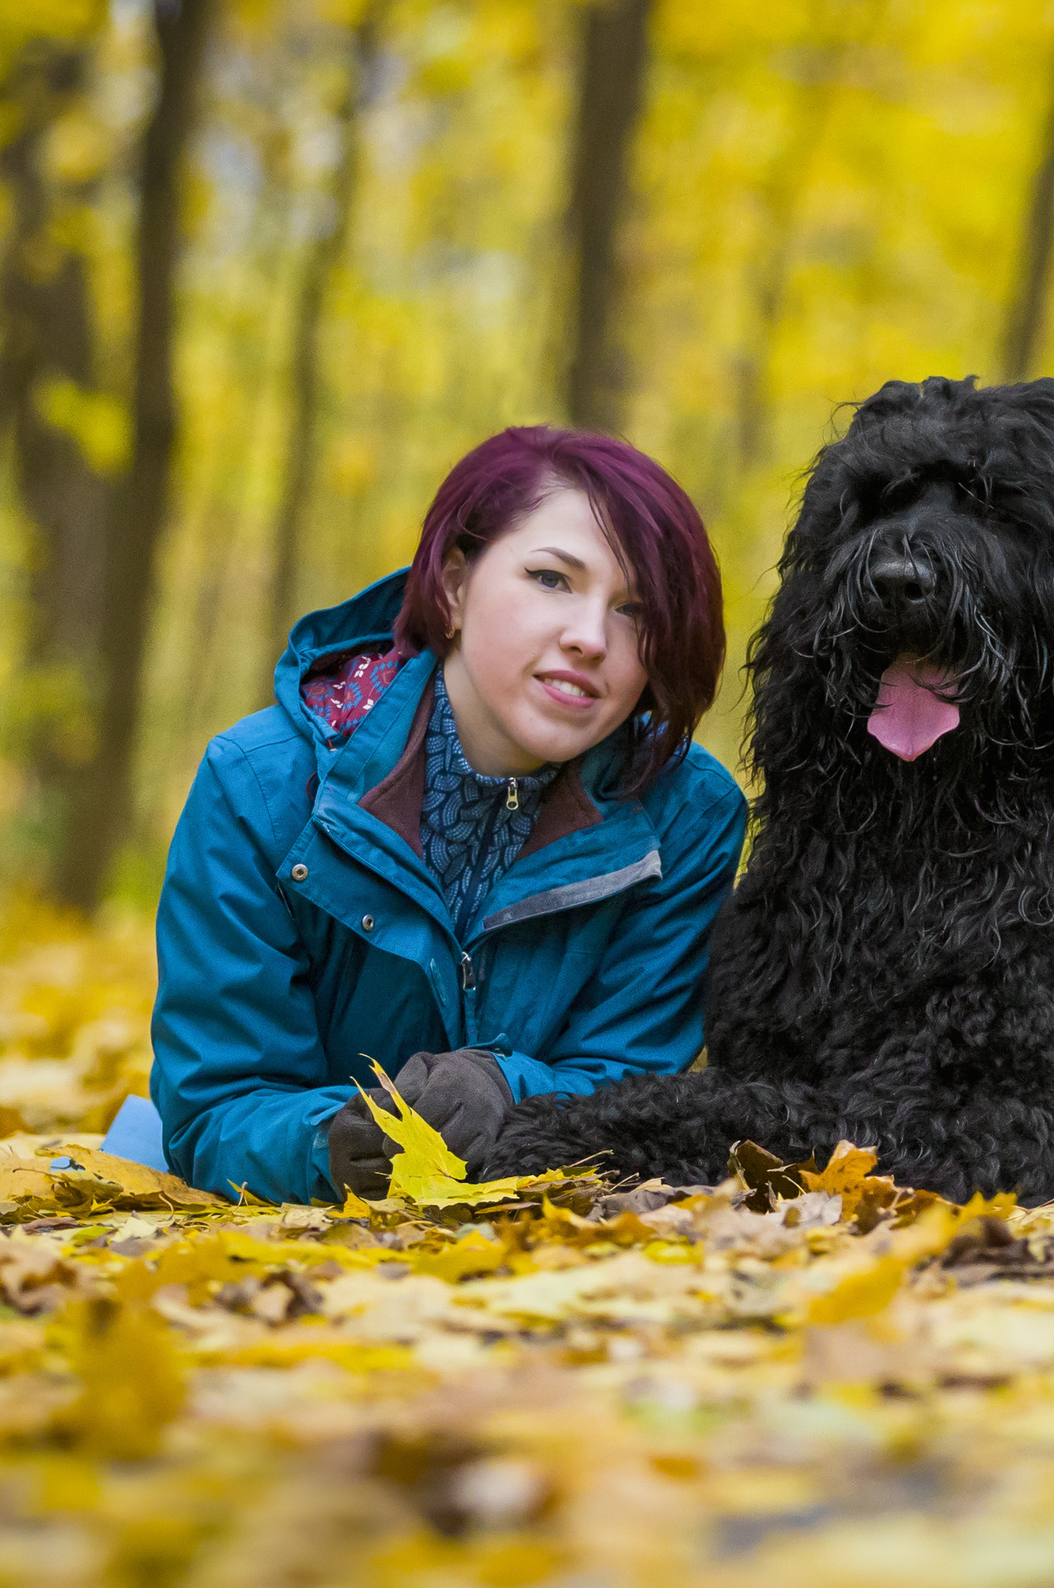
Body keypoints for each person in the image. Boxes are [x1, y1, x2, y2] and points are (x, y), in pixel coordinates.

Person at [140, 426, 746, 1204]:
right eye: (552, 579)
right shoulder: (257, 784)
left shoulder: (688, 819)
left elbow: (633, 1087)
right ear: (454, 586)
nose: (590, 638)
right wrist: (330, 1143)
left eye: (633, 610)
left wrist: (506, 1087)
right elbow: (215, 1108)